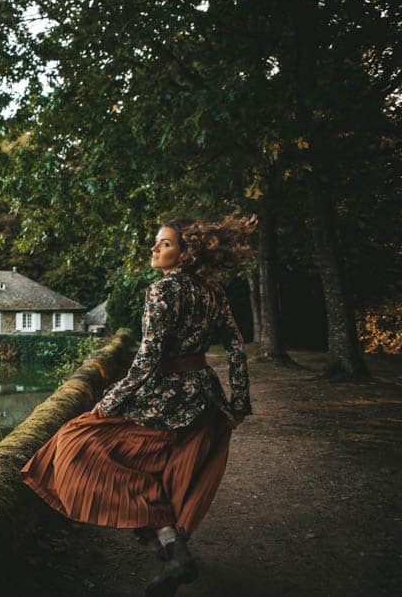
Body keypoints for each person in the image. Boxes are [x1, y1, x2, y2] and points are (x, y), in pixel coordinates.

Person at [21, 214, 256, 597]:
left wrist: (108, 402)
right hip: (204, 398)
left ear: (185, 252)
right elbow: (235, 345)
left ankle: (171, 548)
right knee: (168, 473)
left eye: (164, 243)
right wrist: (240, 401)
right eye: (157, 241)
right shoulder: (212, 291)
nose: (154, 248)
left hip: (164, 399)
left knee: (75, 440)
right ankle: (172, 552)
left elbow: (147, 360)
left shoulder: (163, 291)